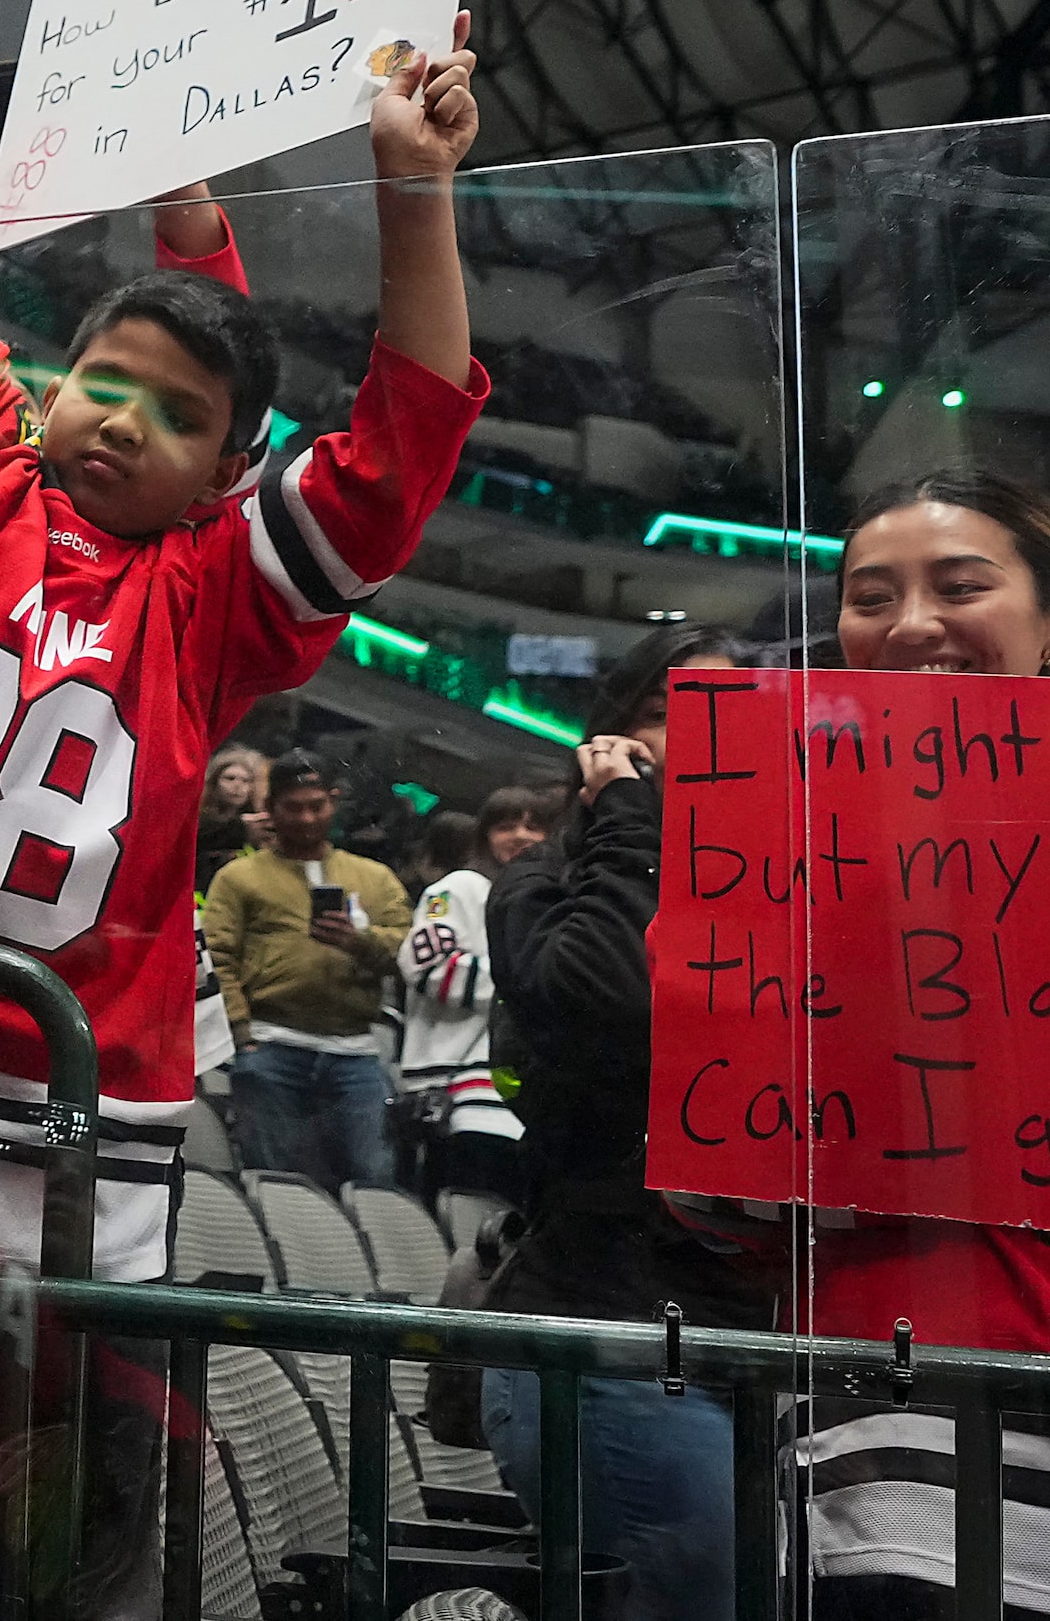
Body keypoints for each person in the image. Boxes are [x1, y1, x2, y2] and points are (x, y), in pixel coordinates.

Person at [0, 18, 486, 1613]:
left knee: (77, 1563)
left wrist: (410, 192)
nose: (122, 418)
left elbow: (400, 438)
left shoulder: (216, 599)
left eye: (178, 412)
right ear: (49, 384)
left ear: (227, 477)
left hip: (68, 1171)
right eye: (103, 380)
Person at [794, 469, 1050, 1621]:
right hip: (877, 1408)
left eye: (961, 587)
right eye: (869, 596)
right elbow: (716, 1181)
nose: (910, 626)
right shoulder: (773, 842)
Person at [480, 622, 772, 1621]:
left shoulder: (780, 885)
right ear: (611, 739)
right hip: (612, 1336)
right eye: (667, 712)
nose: (700, 734)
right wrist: (632, 817)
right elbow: (610, 993)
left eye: (725, 712)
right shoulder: (542, 883)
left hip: (754, 1336)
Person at [205, 750, 414, 1190]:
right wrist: (243, 1037)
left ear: (333, 802)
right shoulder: (239, 877)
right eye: (293, 807)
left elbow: (407, 952)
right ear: (272, 807)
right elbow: (218, 958)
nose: (305, 819)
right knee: (276, 1182)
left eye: (316, 806)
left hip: (355, 1049)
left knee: (374, 1182)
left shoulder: (374, 878)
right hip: (269, 1045)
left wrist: (358, 942)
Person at [385, 787, 549, 1204]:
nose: (520, 836)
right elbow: (425, 966)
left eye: (534, 826)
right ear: (483, 836)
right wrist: (534, 983)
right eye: (505, 825)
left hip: (515, 1099)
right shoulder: (462, 887)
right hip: (457, 1095)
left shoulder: (546, 902)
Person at [195, 743, 270, 891]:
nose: (237, 785)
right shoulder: (200, 824)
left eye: (245, 781)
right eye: (230, 778)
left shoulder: (261, 824)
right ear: (214, 782)